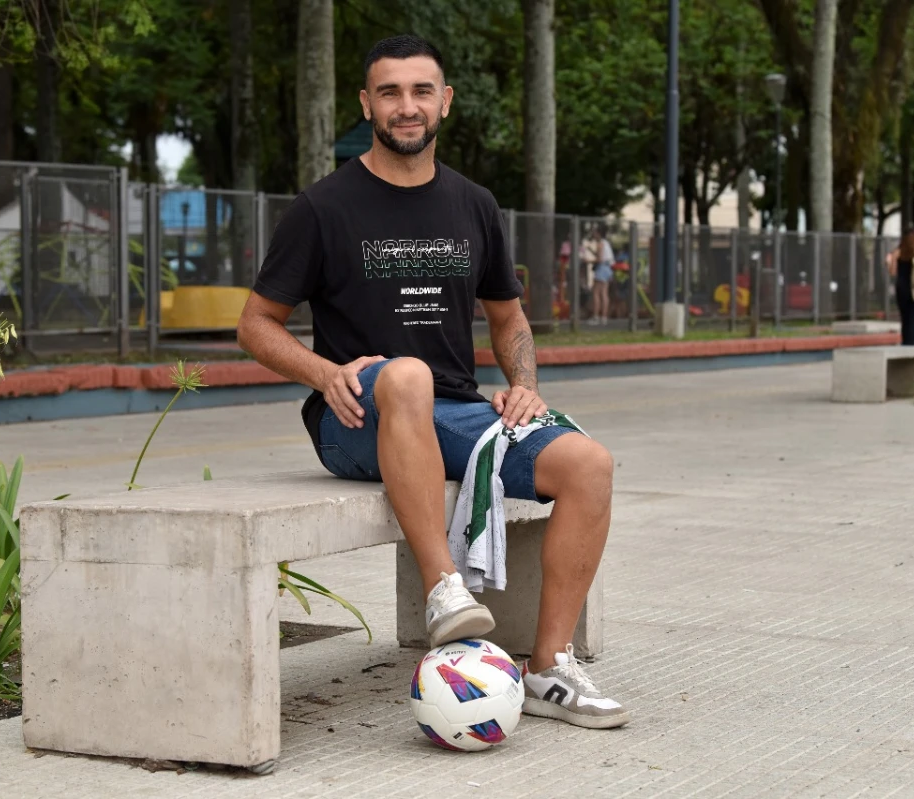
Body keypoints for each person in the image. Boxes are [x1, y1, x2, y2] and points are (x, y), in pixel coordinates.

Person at [237, 35, 628, 729]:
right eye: (389, 92)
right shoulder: (324, 207)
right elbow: (256, 324)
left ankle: (547, 666)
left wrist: (524, 384)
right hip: (357, 417)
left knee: (589, 464)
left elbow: (509, 321)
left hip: (454, 414)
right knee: (408, 376)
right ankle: (444, 587)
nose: (406, 106)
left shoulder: (473, 204)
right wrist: (326, 373)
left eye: (422, 91)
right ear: (367, 104)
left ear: (445, 101)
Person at [589, 226, 614, 325]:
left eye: (595, 233)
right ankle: (604, 317)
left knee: (596, 293)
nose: (594, 235)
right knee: (604, 294)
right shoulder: (606, 243)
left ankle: (596, 316)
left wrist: (588, 260)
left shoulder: (600, 244)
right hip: (607, 269)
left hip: (601, 269)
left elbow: (599, 259)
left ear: (598, 233)